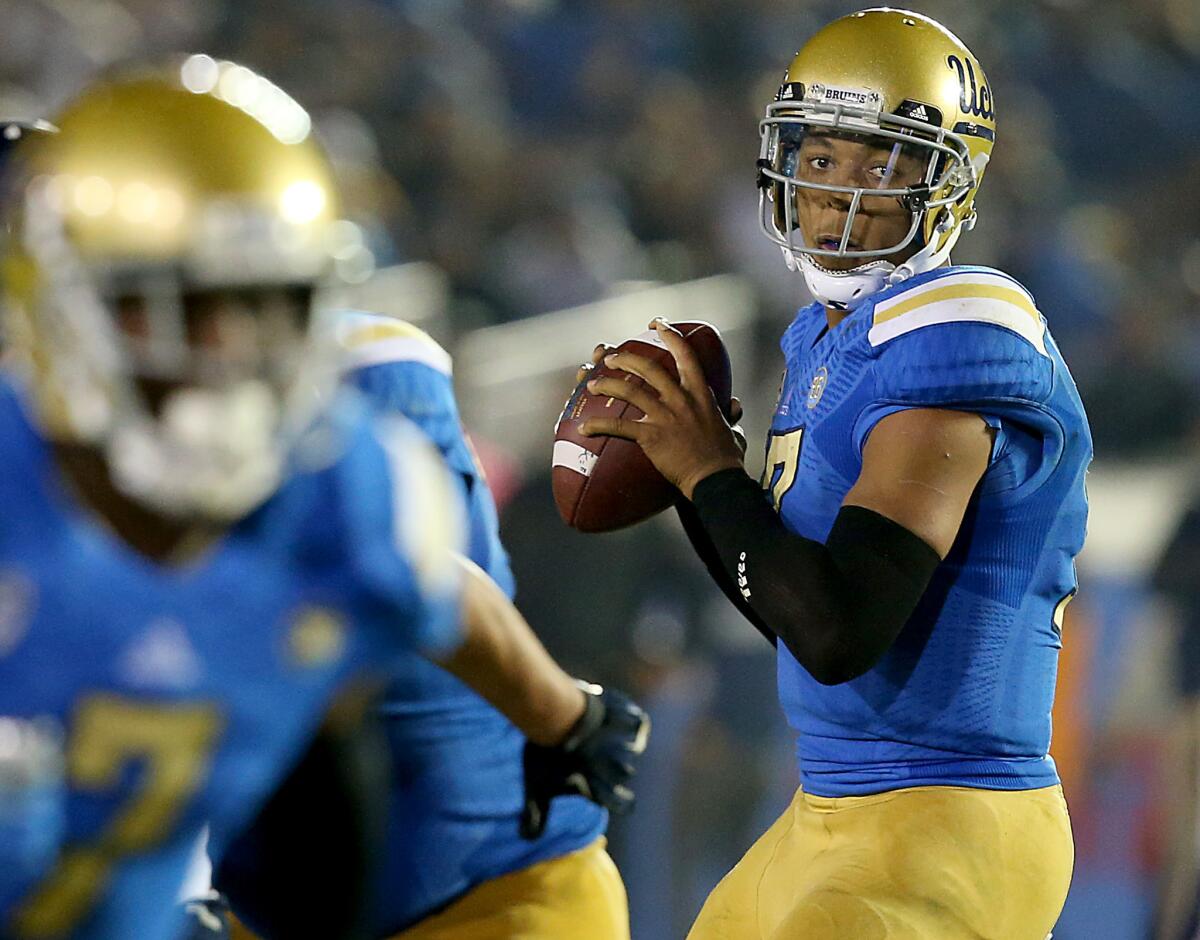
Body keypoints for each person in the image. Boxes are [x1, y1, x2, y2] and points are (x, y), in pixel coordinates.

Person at [0, 58, 646, 940]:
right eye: (170, 309)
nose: (219, 361)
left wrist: (568, 719)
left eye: (254, 307)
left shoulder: (345, 473)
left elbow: (433, 598)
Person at [576, 9, 1091, 939]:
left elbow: (837, 630)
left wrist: (708, 474)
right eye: (820, 160)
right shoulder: (826, 341)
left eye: (882, 166)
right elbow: (787, 603)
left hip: (949, 816)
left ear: (947, 182)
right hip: (832, 807)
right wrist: (698, 480)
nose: (839, 196)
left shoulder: (954, 336)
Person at [215, 313, 634, 940]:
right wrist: (576, 723)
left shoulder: (356, 391)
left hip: (491, 885)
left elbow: (424, 576)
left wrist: (570, 721)